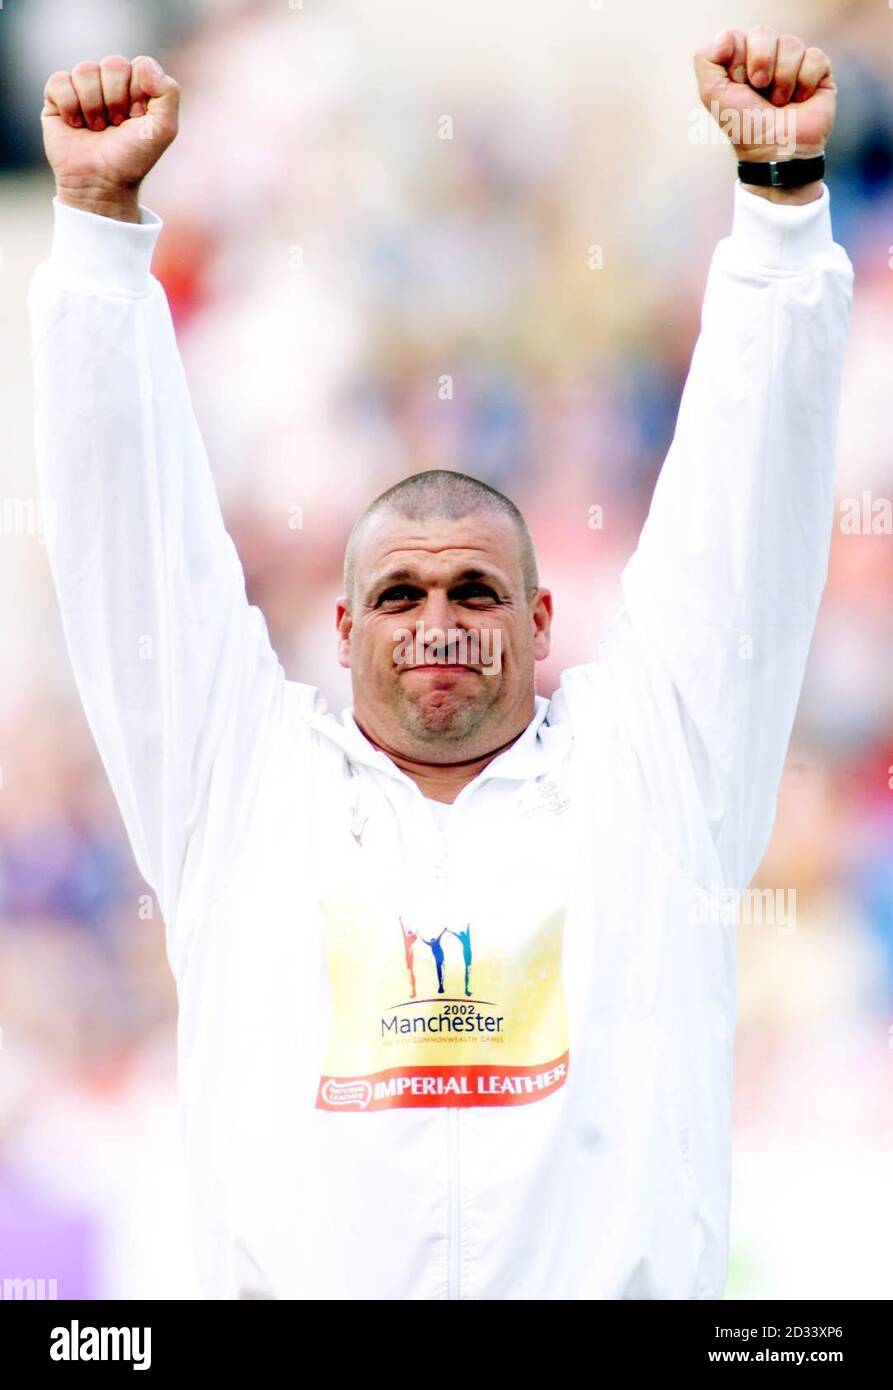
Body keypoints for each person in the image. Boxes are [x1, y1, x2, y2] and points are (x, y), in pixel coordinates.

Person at [30, 27, 853, 1299]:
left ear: (538, 623)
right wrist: (93, 234)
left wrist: (780, 225)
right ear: (345, 630)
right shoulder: (239, 793)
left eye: (476, 588)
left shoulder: (654, 781)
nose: (439, 618)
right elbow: (128, 547)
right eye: (399, 594)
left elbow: (745, 525)